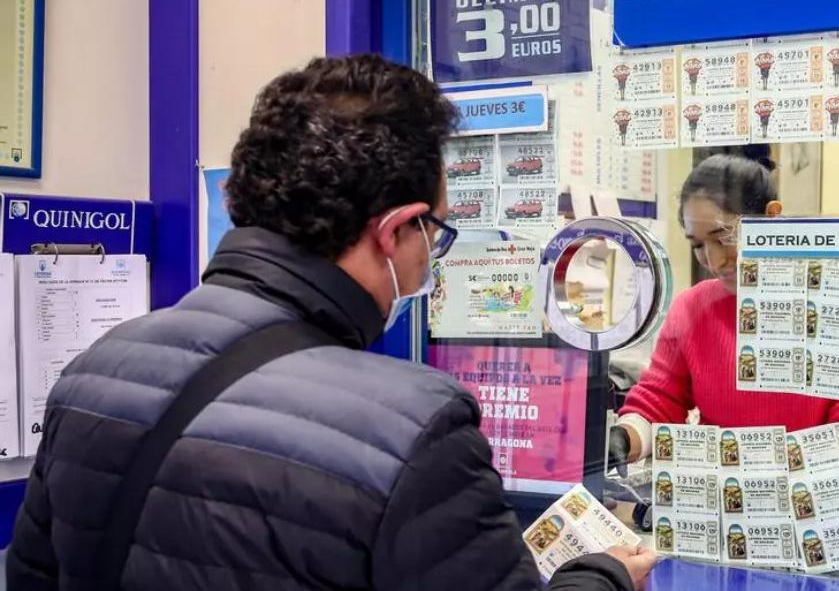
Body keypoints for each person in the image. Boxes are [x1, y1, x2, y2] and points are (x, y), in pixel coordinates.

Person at [8, 55, 654, 591]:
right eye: (434, 232)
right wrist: (601, 578)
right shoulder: (413, 427)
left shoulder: (95, 371)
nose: (431, 257)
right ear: (395, 230)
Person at [609, 154, 839, 475]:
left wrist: (761, 469)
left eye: (725, 237)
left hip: (819, 504)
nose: (714, 261)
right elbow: (660, 400)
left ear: (771, 217)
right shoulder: (692, 308)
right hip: (721, 502)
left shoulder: (838, 305)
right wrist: (627, 435)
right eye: (698, 245)